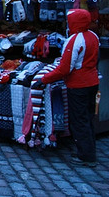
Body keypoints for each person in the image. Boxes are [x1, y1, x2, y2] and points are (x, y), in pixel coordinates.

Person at [32, 9, 99, 167]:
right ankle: (88, 150)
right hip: (92, 81)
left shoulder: (75, 40)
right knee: (87, 118)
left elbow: (65, 68)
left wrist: (44, 79)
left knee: (79, 120)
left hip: (79, 85)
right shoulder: (93, 36)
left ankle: (86, 156)